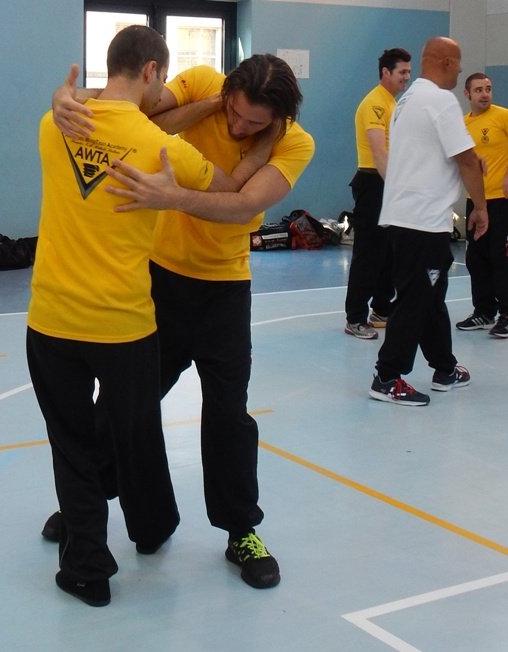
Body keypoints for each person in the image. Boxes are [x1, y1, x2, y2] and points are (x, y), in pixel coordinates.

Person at [47, 54, 315, 589]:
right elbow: (130, 108)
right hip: (160, 282)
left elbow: (243, 205)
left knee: (228, 415)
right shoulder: (202, 84)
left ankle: (241, 530)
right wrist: (65, 99)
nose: (238, 126)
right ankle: (88, 502)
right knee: (124, 405)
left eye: (254, 124)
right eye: (233, 112)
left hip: (224, 291)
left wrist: (171, 197)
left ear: (279, 119)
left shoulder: (295, 143)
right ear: (227, 91)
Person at [368, 36, 488, 406]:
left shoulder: (407, 100)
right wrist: (480, 208)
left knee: (431, 295)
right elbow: (466, 160)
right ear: (447, 62)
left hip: (407, 218)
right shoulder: (440, 100)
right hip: (421, 221)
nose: (461, 70)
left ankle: (444, 368)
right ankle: (387, 377)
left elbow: (437, 155)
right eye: (459, 63)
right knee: (416, 299)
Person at [455, 73, 508, 338]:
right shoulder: (462, 124)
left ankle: (507, 315)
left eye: (488, 89)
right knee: (475, 259)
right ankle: (483, 311)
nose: (485, 94)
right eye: (479, 90)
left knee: (501, 258)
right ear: (467, 94)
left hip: (504, 200)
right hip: (476, 201)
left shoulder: (505, 116)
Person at [344, 48, 411, 341]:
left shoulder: (392, 102)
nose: (407, 77)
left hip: (389, 181)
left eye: (409, 72)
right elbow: (379, 152)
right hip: (373, 183)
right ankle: (355, 317)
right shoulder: (374, 103)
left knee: (389, 251)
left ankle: (382, 310)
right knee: (368, 253)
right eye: (402, 72)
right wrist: (395, 187)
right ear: (386, 72)